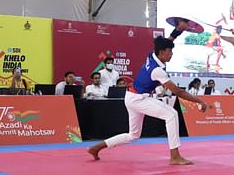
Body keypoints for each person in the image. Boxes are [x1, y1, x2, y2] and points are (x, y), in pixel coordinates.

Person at [87, 20, 208, 165]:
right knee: (172, 114)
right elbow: (177, 91)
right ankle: (175, 156)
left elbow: (166, 41)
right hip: (138, 99)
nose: (171, 54)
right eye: (170, 52)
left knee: (133, 135)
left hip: (130, 97)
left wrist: (179, 30)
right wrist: (200, 101)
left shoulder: (153, 55)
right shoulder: (157, 71)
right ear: (162, 53)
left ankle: (96, 147)